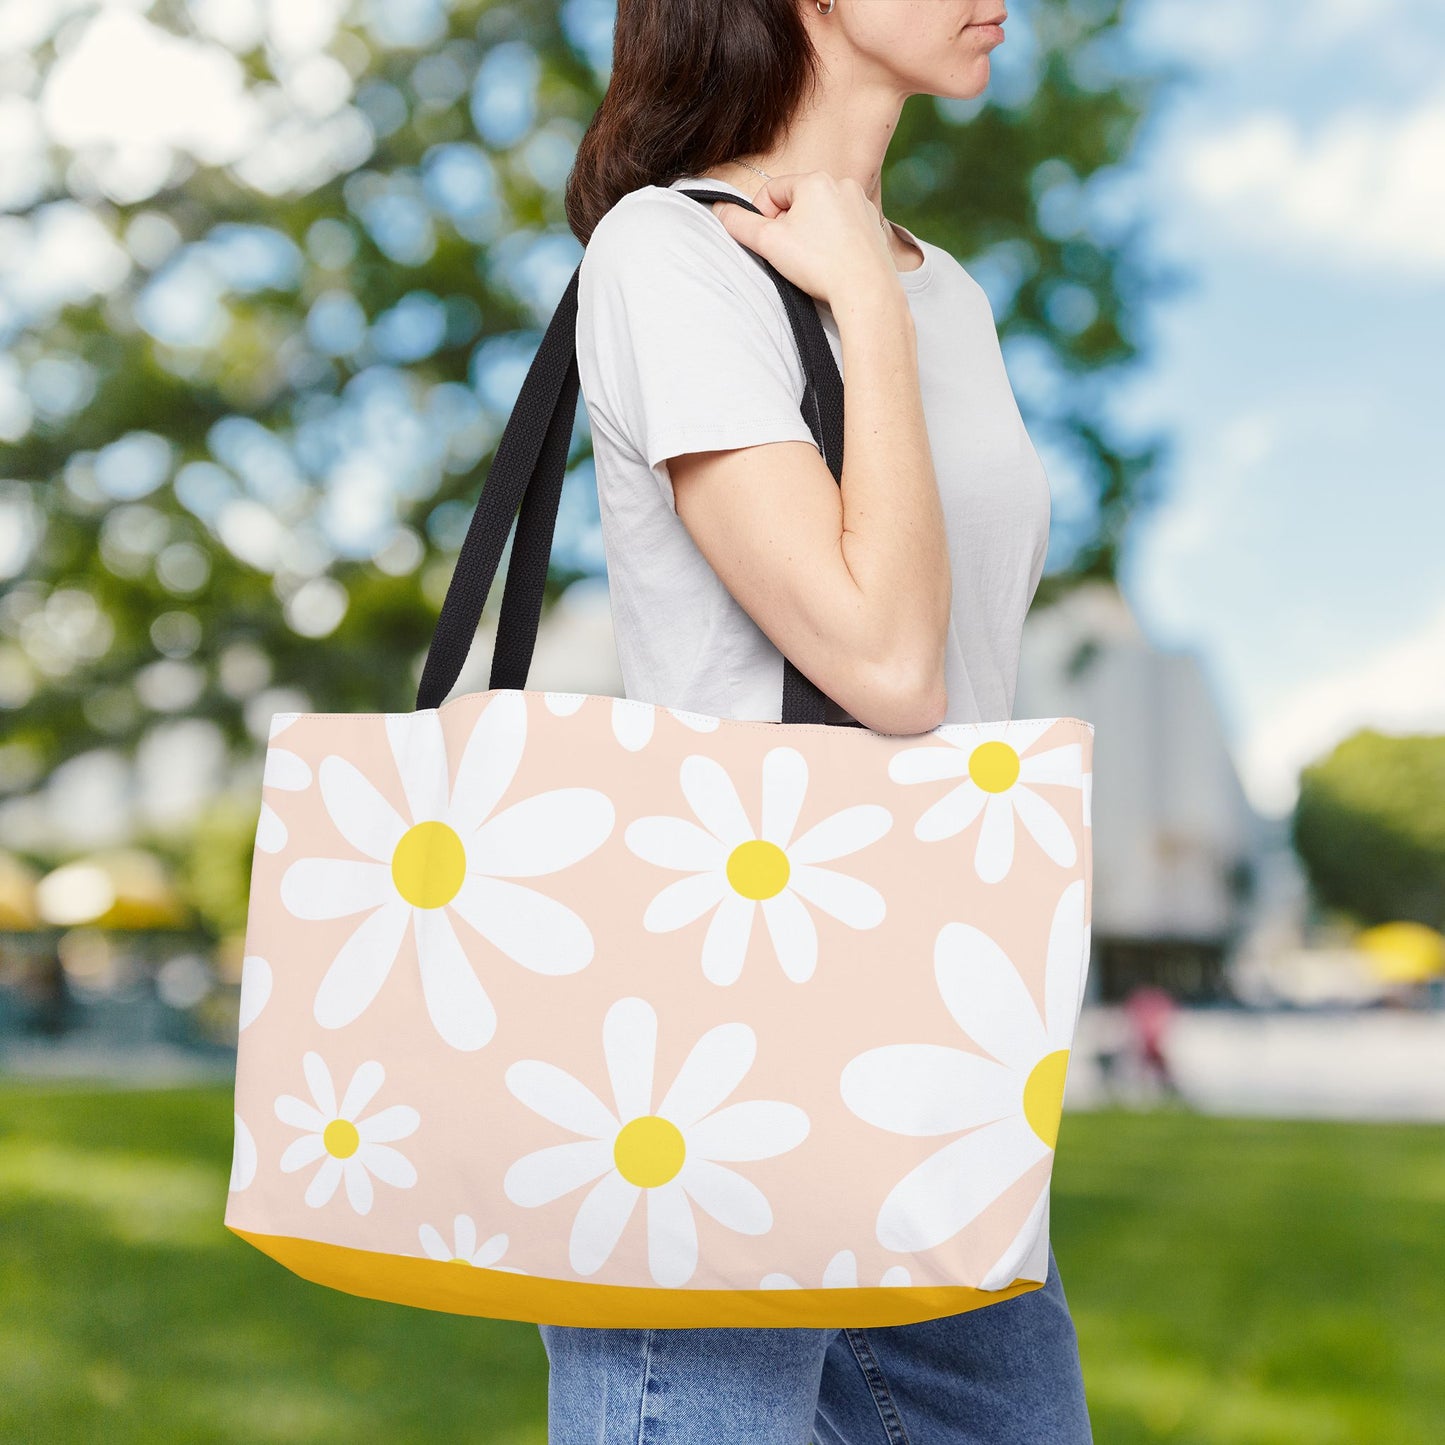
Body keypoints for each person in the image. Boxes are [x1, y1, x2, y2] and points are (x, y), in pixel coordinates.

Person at [543, 1, 1092, 1440]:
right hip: (717, 1032)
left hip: (928, 1025)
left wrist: (879, 292)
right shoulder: (669, 252)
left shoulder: (945, 291)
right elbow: (886, 659)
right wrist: (858, 308)